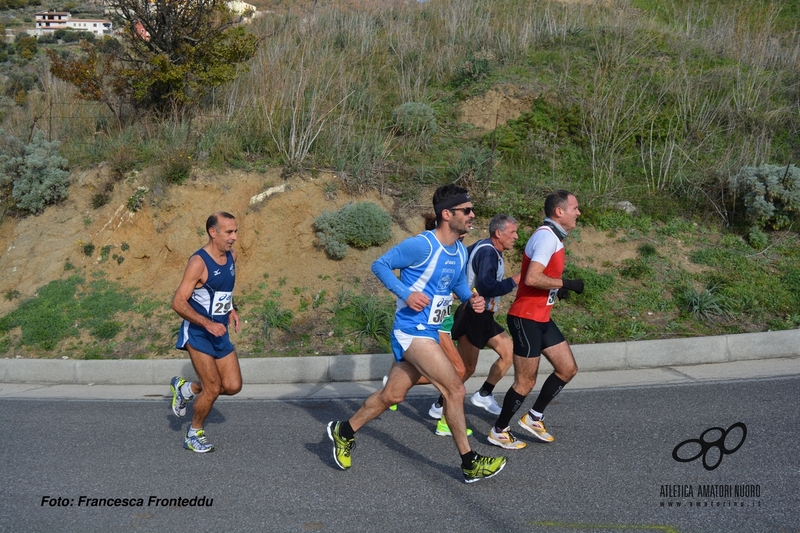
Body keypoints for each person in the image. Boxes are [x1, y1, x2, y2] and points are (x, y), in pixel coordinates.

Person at [327, 184, 507, 483]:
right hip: (412, 331)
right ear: (447, 214)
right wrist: (406, 293)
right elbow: (380, 264)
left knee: (392, 394)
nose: (472, 215)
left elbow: (456, 284)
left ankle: (343, 431)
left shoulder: (460, 250)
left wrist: (470, 297)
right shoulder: (422, 246)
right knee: (455, 388)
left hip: (431, 330)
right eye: (467, 210)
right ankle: (469, 461)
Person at [487, 190, 584, 450]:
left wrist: (556, 289)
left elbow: (540, 278)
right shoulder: (546, 238)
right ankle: (499, 430)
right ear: (559, 211)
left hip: (541, 317)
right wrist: (567, 283)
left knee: (567, 369)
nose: (578, 213)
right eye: (574, 208)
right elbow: (531, 277)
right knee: (525, 381)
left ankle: (534, 416)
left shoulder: (553, 237)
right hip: (525, 318)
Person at [428, 214, 519, 420]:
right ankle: (439, 405)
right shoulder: (488, 253)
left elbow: (463, 262)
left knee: (508, 352)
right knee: (465, 368)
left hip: (484, 317)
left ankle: (484, 393)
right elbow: (486, 286)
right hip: (473, 315)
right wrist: (514, 281)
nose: (516, 236)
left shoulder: (485, 248)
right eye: (513, 232)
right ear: (499, 233)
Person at [169, 211, 243, 453]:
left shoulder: (231, 256)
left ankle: (186, 389)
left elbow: (223, 289)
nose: (234, 237)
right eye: (229, 232)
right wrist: (207, 323)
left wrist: (231, 309)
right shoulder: (198, 262)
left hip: (220, 331)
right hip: (199, 333)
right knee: (212, 388)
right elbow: (178, 302)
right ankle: (193, 434)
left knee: (232, 386)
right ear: (213, 232)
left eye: (235, 231)